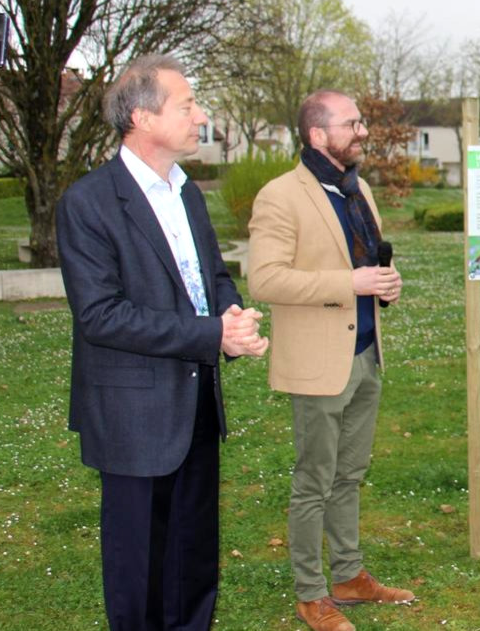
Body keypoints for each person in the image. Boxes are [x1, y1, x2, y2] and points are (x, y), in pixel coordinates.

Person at [56, 54, 268, 630]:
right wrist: (210, 333)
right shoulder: (88, 203)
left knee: (193, 558)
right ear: (143, 117)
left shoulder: (188, 193)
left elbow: (211, 275)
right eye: (188, 105)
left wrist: (230, 316)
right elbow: (101, 315)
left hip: (195, 402)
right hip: (133, 415)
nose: (201, 115)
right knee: (139, 567)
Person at [248, 90, 413, 631]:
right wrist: (351, 283)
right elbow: (265, 279)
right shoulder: (279, 196)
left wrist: (384, 285)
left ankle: (348, 576)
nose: (362, 131)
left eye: (361, 122)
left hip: (365, 356)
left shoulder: (356, 186)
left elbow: (367, 259)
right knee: (314, 480)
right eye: (352, 123)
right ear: (318, 135)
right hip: (318, 364)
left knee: (350, 474)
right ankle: (310, 593)